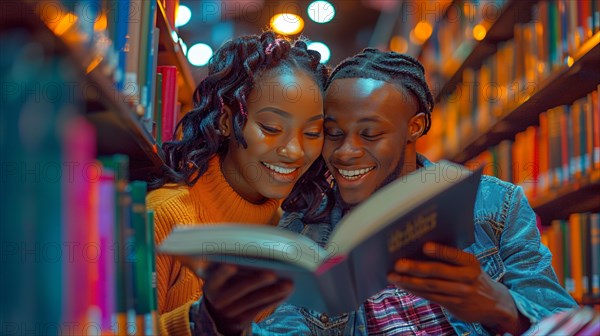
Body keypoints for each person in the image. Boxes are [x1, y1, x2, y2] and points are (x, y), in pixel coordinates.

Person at [197, 48, 578, 335]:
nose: (346, 152)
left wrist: (500, 307)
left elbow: (563, 321)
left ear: (415, 127)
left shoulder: (495, 205)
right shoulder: (304, 231)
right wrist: (225, 320)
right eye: (332, 133)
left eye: (370, 134)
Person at [147, 30, 329, 335]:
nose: (294, 151)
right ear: (224, 120)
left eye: (312, 133)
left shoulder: (295, 232)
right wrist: (202, 319)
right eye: (271, 128)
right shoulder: (164, 218)